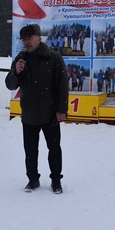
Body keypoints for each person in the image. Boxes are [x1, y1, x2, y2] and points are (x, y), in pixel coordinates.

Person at [5, 24, 69, 194]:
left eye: (30, 38)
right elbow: (10, 85)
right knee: (30, 150)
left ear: (39, 38)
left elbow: (62, 86)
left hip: (51, 114)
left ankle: (56, 181)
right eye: (24, 39)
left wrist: (61, 109)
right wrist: (16, 73)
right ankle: (32, 179)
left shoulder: (53, 58)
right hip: (29, 114)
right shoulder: (20, 59)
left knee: (54, 149)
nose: (27, 42)